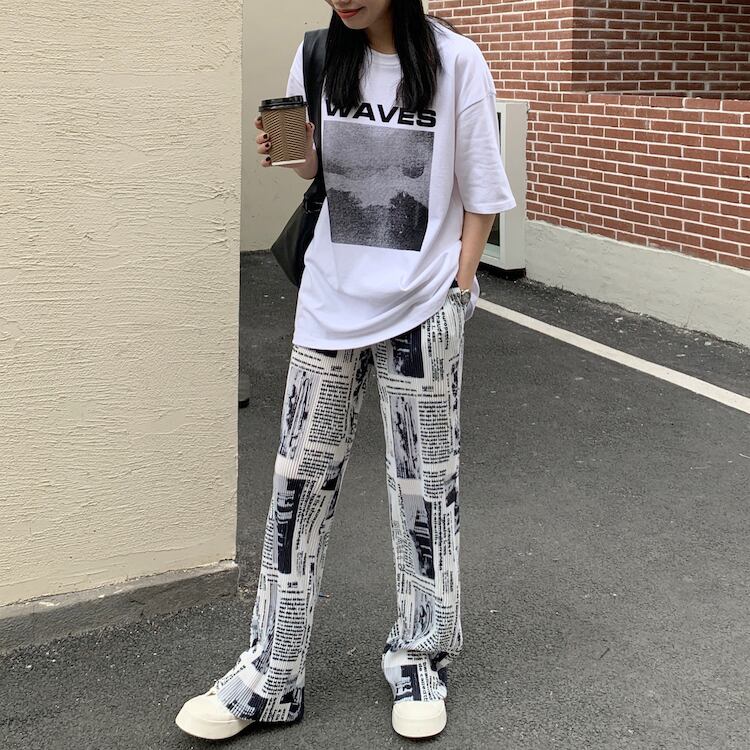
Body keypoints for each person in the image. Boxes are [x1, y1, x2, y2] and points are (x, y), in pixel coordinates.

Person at [175, 0, 515, 740]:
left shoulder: (457, 62)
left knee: (425, 489)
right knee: (298, 488)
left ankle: (420, 657)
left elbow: (483, 190)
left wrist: (457, 290)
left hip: (423, 308)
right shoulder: (320, 55)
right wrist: (290, 150)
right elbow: (318, 169)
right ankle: (273, 674)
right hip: (329, 304)